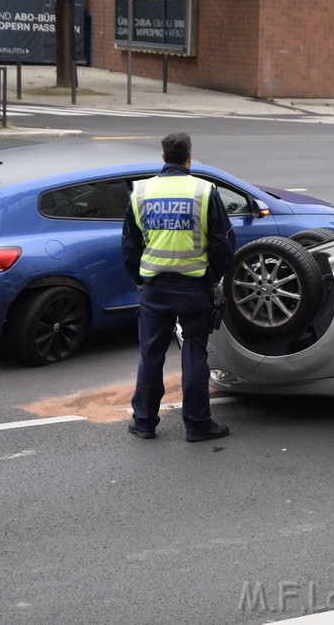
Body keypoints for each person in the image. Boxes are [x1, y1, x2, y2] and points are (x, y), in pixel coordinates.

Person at [122, 133, 236, 441]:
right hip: (193, 288)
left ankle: (144, 422)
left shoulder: (141, 192)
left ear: (163, 157)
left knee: (151, 356)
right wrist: (212, 276)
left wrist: (140, 279)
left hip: (154, 289)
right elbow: (223, 244)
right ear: (188, 157)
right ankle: (198, 425)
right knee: (195, 356)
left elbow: (130, 248)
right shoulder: (204, 191)